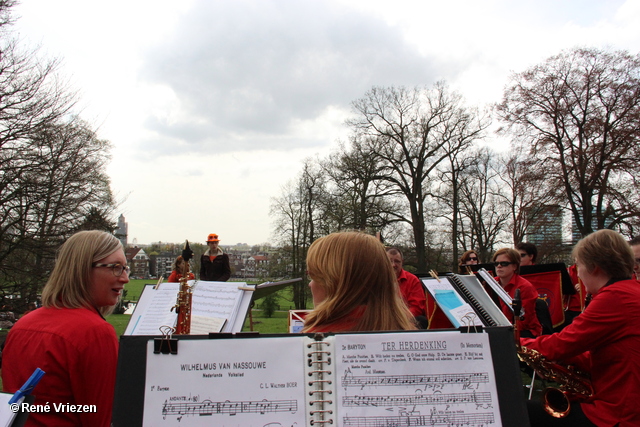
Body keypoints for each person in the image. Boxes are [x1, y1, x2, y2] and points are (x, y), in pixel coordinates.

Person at [1, 230, 127, 427]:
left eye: (126, 268)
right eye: (116, 267)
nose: (125, 278)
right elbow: (101, 419)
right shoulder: (95, 332)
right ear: (83, 269)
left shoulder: (23, 325)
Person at [523, 229, 640, 426]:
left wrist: (514, 342)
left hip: (618, 414)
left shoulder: (615, 297)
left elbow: (561, 344)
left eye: (578, 266)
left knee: (516, 411)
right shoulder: (630, 291)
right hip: (622, 404)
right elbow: (599, 353)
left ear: (594, 267)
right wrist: (560, 362)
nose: (578, 273)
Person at [302, 232, 416, 333]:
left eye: (314, 277)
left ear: (337, 283)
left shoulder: (312, 344)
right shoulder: (411, 338)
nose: (310, 284)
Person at [492, 248, 542, 338]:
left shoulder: (525, 287)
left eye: (504, 263)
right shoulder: (490, 284)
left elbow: (523, 320)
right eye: (496, 263)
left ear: (515, 266)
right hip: (500, 329)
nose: (499, 266)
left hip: (524, 332)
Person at [386, 248, 428, 329]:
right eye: (390, 261)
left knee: (421, 320)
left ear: (402, 262)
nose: (393, 265)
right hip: (383, 320)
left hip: (405, 321)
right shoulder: (378, 279)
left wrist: (400, 319)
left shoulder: (413, 280)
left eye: (397, 261)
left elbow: (417, 307)